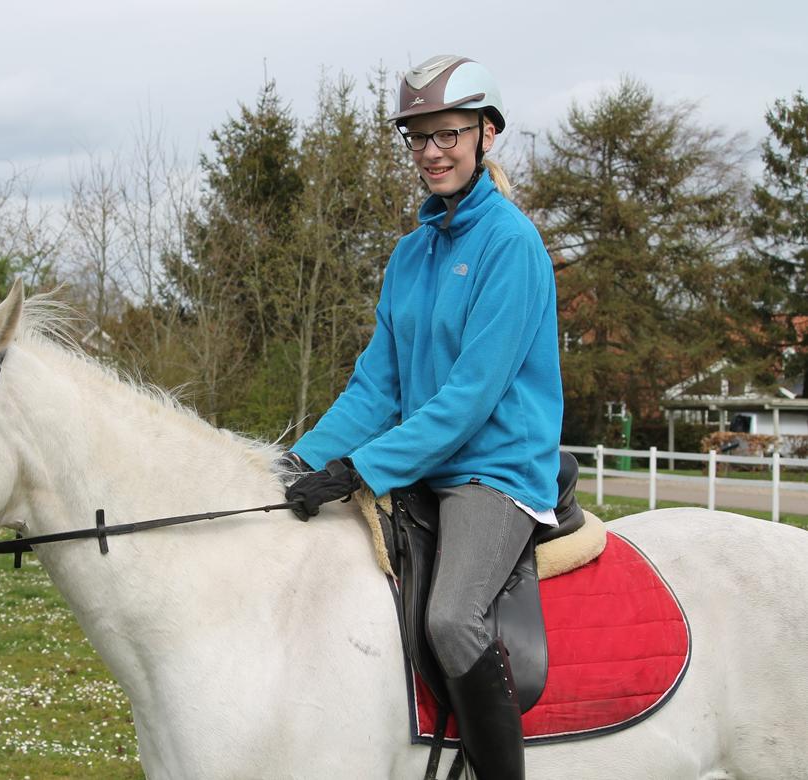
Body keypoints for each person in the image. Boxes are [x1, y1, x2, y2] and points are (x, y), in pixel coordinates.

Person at [280, 55, 562, 780]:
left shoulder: (512, 245)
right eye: (417, 138)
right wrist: (303, 462)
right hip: (424, 464)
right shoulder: (410, 255)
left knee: (449, 619)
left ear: (487, 135)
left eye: (447, 135)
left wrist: (363, 468)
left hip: (493, 471)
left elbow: (470, 397)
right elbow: (378, 386)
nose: (431, 153)